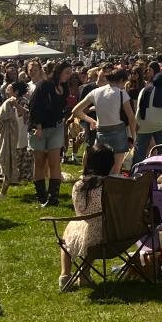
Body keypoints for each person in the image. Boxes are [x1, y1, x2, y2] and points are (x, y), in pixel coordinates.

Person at [57, 144, 114, 289]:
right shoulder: (112, 184)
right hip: (108, 232)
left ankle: (65, 275)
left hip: (84, 229)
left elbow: (79, 210)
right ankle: (84, 273)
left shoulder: (79, 185)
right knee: (92, 232)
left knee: (68, 236)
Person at [72, 67, 136, 174]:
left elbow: (76, 111)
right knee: (116, 170)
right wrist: (134, 137)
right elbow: (131, 118)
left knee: (99, 168)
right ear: (121, 81)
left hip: (101, 132)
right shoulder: (122, 93)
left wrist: (90, 120)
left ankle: (98, 189)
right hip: (118, 133)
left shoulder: (95, 92)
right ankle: (112, 189)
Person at [28, 61, 70, 207]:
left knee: (54, 161)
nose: (68, 76)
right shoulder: (44, 85)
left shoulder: (64, 87)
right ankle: (41, 196)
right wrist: (37, 126)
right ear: (58, 72)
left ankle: (53, 198)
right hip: (40, 127)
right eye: (66, 73)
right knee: (39, 161)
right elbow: (33, 106)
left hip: (56, 126)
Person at [133, 62, 162, 165]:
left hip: (144, 124)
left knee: (140, 149)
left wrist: (137, 123)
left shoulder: (144, 90)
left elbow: (138, 108)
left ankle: (137, 169)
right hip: (160, 124)